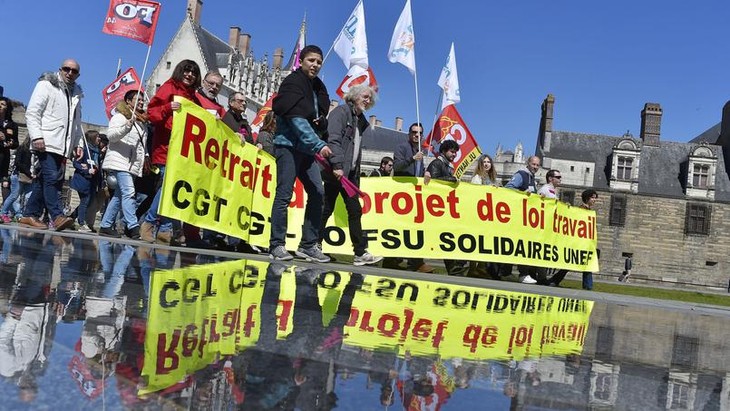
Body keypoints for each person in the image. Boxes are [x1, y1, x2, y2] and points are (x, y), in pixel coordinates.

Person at [268, 45, 333, 262]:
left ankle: (308, 245)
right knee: (284, 194)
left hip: (306, 150)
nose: (315, 65)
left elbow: (318, 115)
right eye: (311, 60)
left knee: (317, 193)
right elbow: (296, 119)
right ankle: (277, 244)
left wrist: (321, 121)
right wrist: (319, 145)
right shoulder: (293, 84)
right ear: (301, 61)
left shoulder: (318, 88)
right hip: (288, 145)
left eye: (319, 62)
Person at [139, 59, 201, 244]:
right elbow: (152, 113)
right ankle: (149, 223)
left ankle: (163, 228)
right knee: (167, 188)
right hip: (166, 148)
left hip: (183, 151)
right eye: (186, 71)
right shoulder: (169, 87)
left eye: (193, 72)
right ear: (180, 72)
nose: (189, 75)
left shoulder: (194, 98)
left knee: (174, 189)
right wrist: (168, 107)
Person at [320, 83, 383, 266]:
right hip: (336, 172)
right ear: (353, 95)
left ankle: (359, 252)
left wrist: (353, 175)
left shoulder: (358, 119)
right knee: (327, 209)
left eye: (369, 98)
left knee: (353, 210)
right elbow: (333, 140)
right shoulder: (341, 112)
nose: (367, 100)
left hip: (349, 175)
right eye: (364, 96)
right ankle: (313, 244)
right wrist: (337, 165)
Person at [19, 58, 82, 231]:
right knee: (52, 178)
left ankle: (29, 214)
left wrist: (78, 144)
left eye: (74, 71)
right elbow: (32, 112)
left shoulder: (76, 93)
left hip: (63, 145)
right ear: (60, 69)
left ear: (78, 74)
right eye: (66, 69)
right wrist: (37, 136)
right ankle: (57, 215)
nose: (69, 73)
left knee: (43, 180)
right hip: (46, 141)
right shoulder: (47, 85)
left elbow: (76, 123)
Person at [98, 90, 149, 240]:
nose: (141, 102)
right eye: (137, 99)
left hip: (131, 163)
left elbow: (140, 144)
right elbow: (111, 136)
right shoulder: (120, 117)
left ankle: (106, 225)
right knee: (129, 192)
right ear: (128, 101)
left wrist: (145, 156)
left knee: (119, 196)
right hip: (120, 161)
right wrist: (126, 126)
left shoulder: (141, 121)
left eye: (142, 100)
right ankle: (133, 226)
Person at [391, 122, 434, 273]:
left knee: (416, 228)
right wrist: (412, 158)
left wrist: (426, 173)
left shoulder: (420, 151)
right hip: (402, 194)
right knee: (400, 228)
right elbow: (396, 167)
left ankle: (416, 262)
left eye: (420, 133)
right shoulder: (402, 147)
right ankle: (392, 260)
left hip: (414, 194)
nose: (417, 135)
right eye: (414, 132)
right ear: (409, 134)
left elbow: (417, 173)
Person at [424, 140, 468, 276]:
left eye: (455, 152)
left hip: (442, 207)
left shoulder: (448, 166)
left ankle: (455, 266)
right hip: (434, 207)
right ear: (443, 151)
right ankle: (454, 266)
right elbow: (435, 182)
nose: (454, 154)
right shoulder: (437, 163)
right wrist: (452, 180)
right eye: (451, 151)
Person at [504, 155, 542, 284]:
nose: (535, 167)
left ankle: (508, 272)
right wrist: (522, 193)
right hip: (517, 217)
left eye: (537, 165)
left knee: (518, 246)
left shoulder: (532, 178)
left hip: (526, 219)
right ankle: (521, 274)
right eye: (533, 164)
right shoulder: (521, 175)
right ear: (528, 163)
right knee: (521, 246)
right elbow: (508, 188)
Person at [68, 130, 104, 232]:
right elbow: (76, 163)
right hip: (83, 181)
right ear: (92, 138)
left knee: (87, 202)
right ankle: (81, 223)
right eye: (97, 137)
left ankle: (70, 218)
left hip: (92, 182)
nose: (99, 139)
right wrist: (87, 169)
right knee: (85, 201)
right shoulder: (84, 150)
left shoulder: (97, 152)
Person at [0, 138, 32, 222]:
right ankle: (3, 212)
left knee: (28, 196)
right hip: (18, 175)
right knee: (14, 196)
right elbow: (16, 163)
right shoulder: (22, 149)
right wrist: (5, 179)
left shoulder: (36, 152)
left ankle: (21, 215)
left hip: (29, 177)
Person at [0, 97, 19, 203]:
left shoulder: (12, 125)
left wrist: (11, 143)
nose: (0, 106)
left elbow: (16, 143)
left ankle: (4, 211)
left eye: (3, 104)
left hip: (3, 156)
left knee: (4, 182)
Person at [580, 189, 598, 290]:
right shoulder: (582, 209)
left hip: (587, 242)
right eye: (592, 198)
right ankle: (588, 285)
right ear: (587, 198)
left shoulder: (590, 211)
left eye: (595, 198)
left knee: (587, 264)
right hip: (581, 242)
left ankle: (588, 285)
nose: (594, 200)